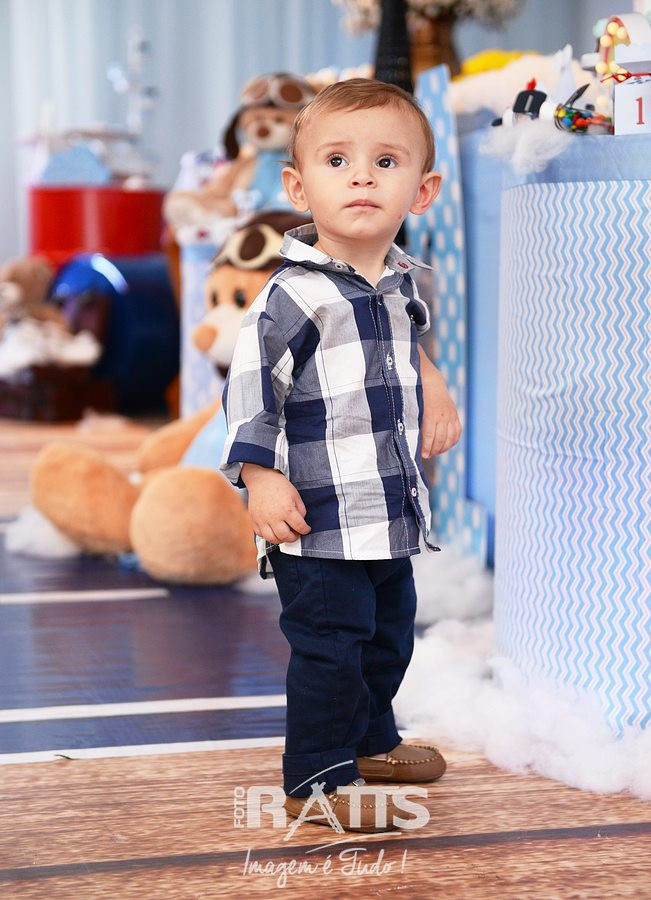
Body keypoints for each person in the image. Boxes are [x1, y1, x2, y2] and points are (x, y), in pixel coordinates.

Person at [220, 78, 461, 832]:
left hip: (384, 507)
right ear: (298, 187)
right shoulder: (291, 296)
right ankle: (316, 776)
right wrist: (259, 478)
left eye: (385, 162)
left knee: (387, 637)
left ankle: (370, 742)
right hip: (318, 519)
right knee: (331, 649)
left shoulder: (397, 284)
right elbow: (251, 391)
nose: (362, 177)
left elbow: (404, 348)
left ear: (422, 191)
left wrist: (435, 386)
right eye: (337, 161)